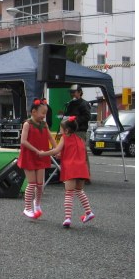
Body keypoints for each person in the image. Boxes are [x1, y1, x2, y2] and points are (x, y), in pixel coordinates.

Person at [52, 94, 99, 227]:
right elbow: (79, 153)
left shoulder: (65, 138)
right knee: (79, 191)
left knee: (69, 193)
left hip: (71, 168)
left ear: (66, 130)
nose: (60, 132)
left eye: (61, 130)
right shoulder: (80, 140)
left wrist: (43, 153)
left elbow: (56, 151)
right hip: (82, 168)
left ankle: (67, 218)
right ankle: (89, 212)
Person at [15, 99, 58, 220]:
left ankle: (37, 203)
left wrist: (57, 149)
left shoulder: (44, 124)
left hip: (41, 156)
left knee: (40, 185)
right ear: (33, 112)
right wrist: (36, 151)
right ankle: (27, 207)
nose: (44, 116)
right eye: (42, 113)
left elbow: (50, 137)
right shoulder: (27, 124)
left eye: (45, 113)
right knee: (32, 183)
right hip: (29, 156)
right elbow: (23, 141)